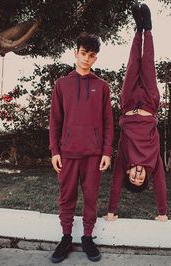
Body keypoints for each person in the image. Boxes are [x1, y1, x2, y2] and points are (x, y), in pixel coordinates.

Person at [49, 32, 114, 263]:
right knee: (66, 197)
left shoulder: (102, 87)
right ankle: (66, 237)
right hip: (67, 153)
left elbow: (108, 123)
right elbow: (55, 121)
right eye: (83, 54)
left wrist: (106, 151)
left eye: (92, 55)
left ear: (96, 58)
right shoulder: (62, 84)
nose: (87, 59)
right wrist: (55, 151)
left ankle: (87, 238)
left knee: (90, 197)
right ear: (75, 53)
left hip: (94, 155)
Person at [104, 3, 168, 223]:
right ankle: (148, 29)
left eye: (133, 177)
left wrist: (112, 210)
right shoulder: (153, 163)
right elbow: (160, 184)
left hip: (129, 102)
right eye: (140, 178)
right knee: (147, 62)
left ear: (129, 175)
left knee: (133, 63)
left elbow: (114, 183)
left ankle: (137, 29)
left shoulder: (124, 159)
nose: (137, 175)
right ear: (145, 177)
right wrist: (162, 212)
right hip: (149, 103)